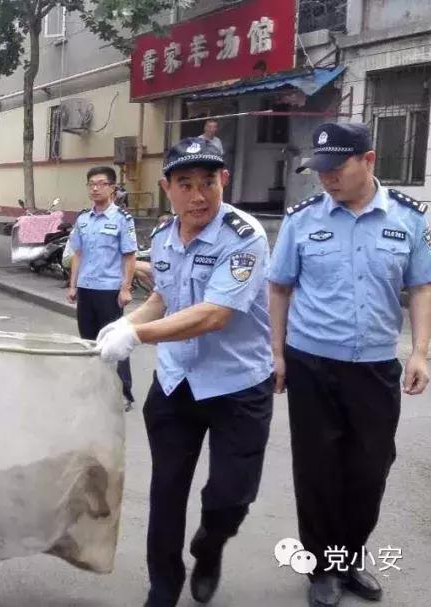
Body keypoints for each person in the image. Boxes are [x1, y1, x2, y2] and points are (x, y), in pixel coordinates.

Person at [97, 138, 274, 607]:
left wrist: (139, 337)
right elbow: (164, 298)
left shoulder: (244, 236)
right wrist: (127, 320)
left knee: (231, 496)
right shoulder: (162, 236)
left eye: (209, 183)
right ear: (167, 188)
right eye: (186, 184)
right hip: (176, 384)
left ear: (224, 182)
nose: (199, 196)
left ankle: (211, 544)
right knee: (167, 488)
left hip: (237, 385)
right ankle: (163, 585)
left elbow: (215, 314)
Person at [269, 123, 431, 607]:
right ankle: (323, 567)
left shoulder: (406, 219)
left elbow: (424, 285)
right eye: (318, 170)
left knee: (370, 468)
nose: (325, 179)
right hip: (312, 363)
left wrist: (420, 351)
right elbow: (278, 287)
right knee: (318, 468)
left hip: (374, 366)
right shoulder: (303, 220)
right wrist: (278, 353)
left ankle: (348, 556)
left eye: (335, 168)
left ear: (368, 161)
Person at [66, 166, 137, 409]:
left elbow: (129, 256)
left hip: (109, 291)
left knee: (115, 342)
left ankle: (123, 392)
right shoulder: (83, 219)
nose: (95, 188)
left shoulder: (122, 219)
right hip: (86, 289)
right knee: (88, 342)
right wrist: (73, 285)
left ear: (112, 187)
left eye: (101, 183)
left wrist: (126, 288)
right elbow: (78, 254)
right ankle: (94, 387)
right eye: (91, 184)